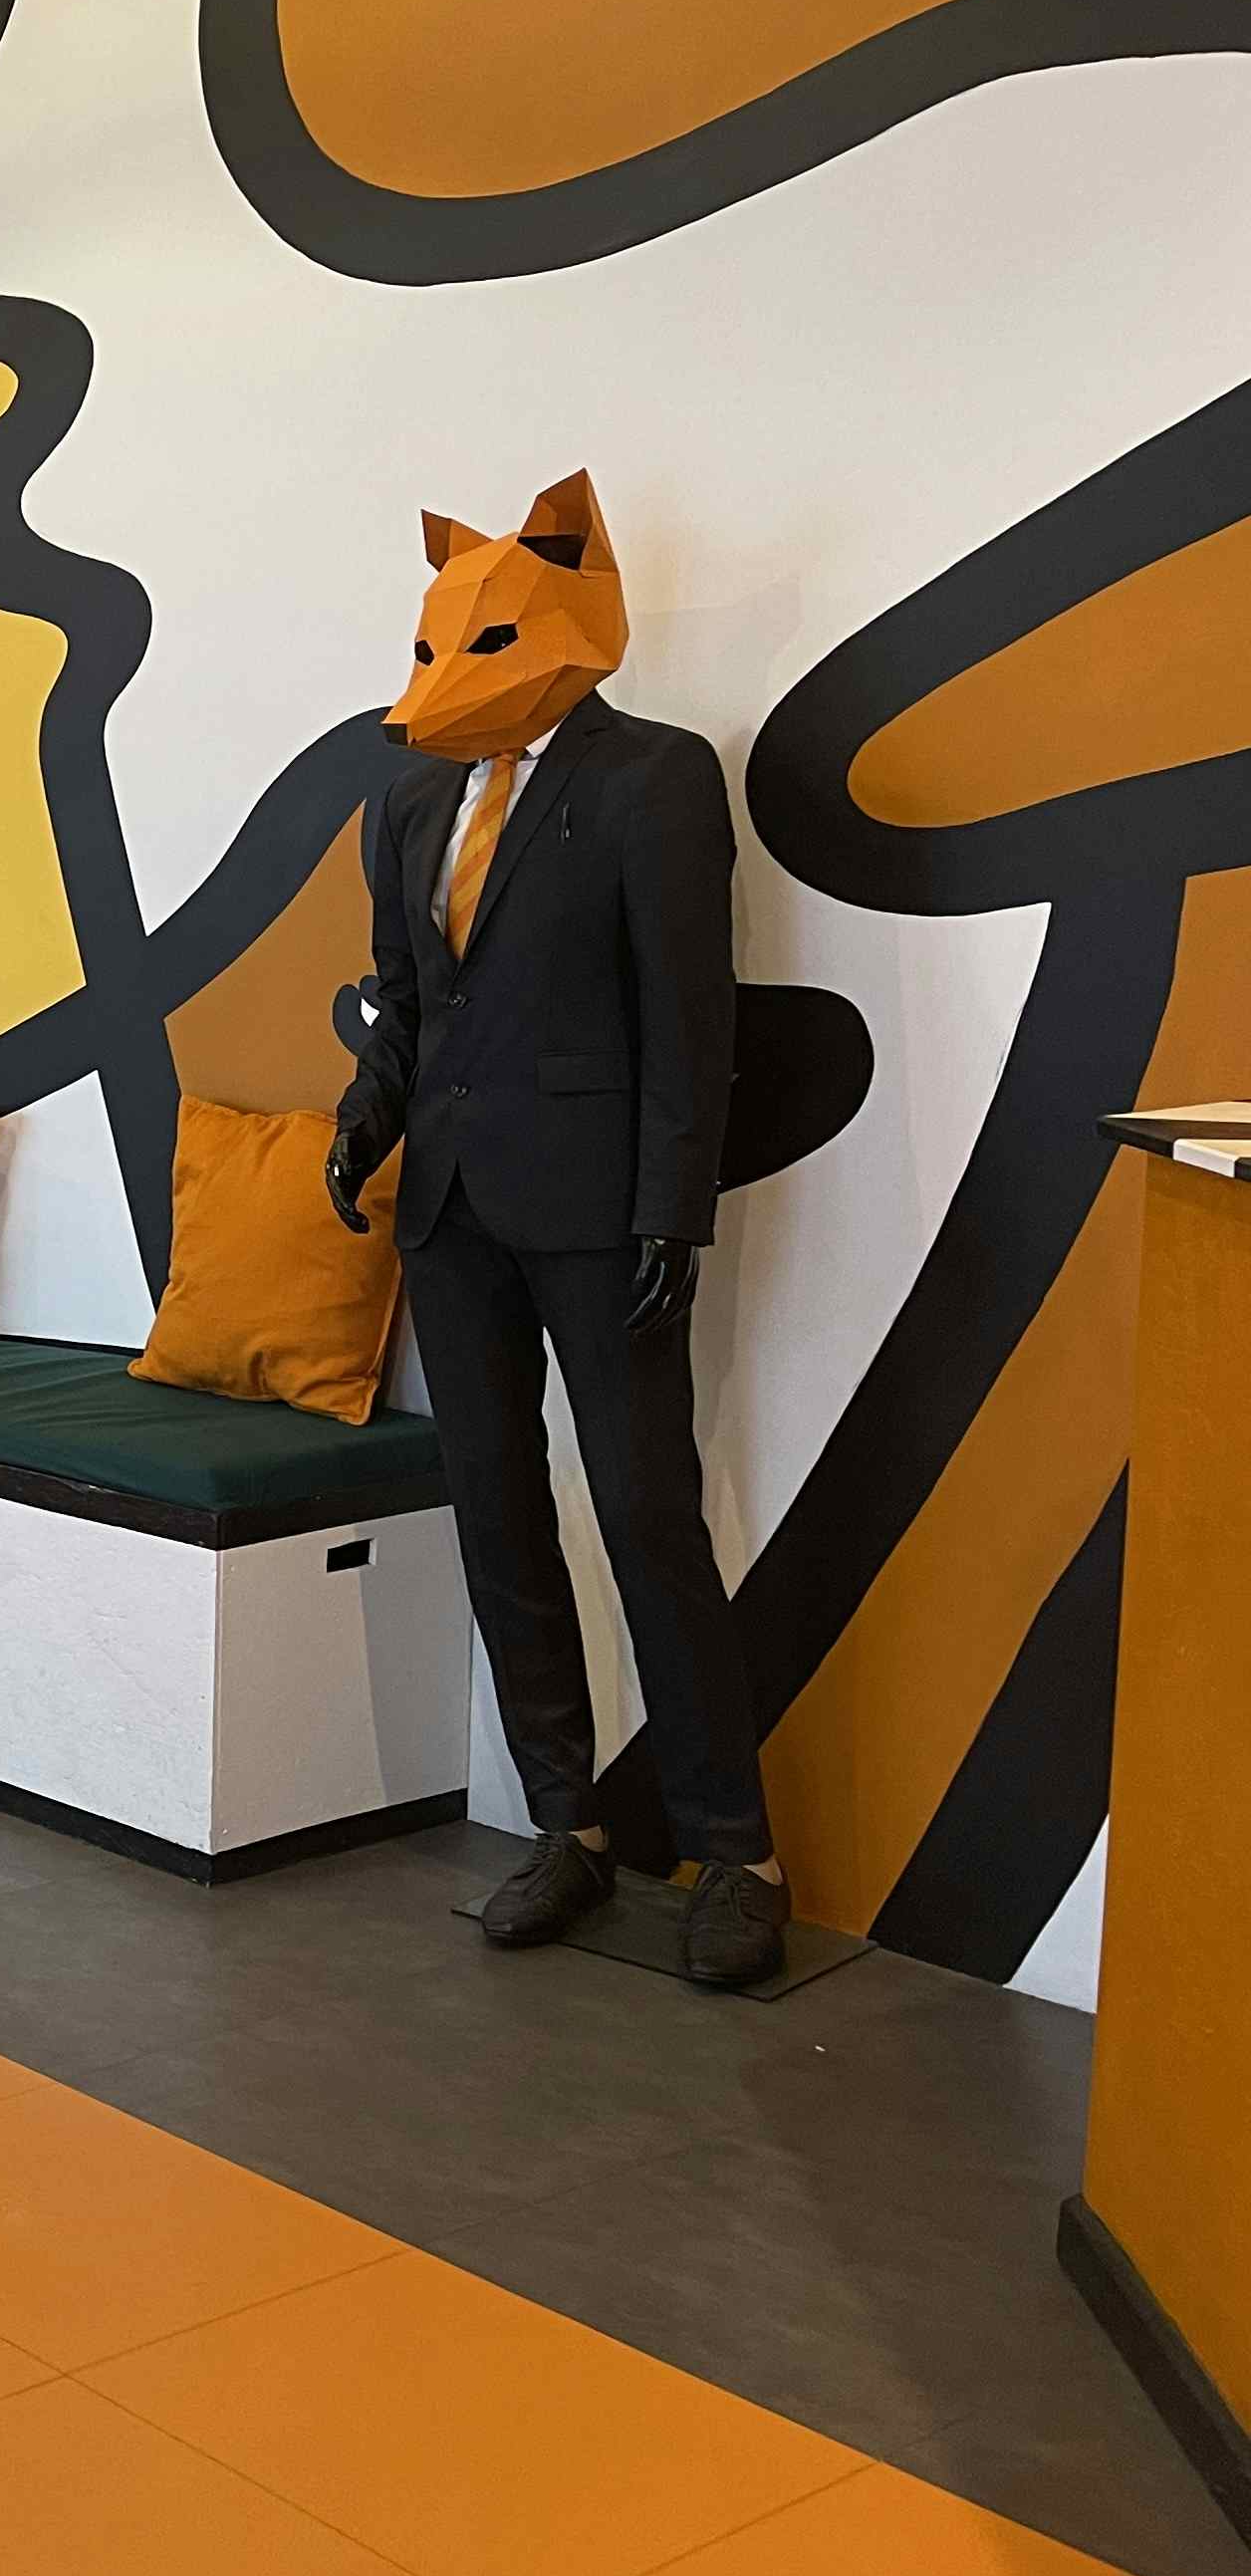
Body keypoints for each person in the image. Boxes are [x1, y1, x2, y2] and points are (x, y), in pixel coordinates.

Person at [328, 470, 789, 1989]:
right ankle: (566, 1825)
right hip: (451, 1211)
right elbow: (409, 996)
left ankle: (736, 1851)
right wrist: (369, 1114)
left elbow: (691, 1015)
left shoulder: (654, 778)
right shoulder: (409, 801)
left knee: (649, 1514)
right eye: (429, 648)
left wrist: (673, 1205)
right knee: (498, 1511)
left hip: (603, 1216)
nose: (438, 682)